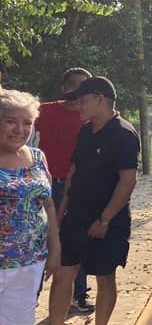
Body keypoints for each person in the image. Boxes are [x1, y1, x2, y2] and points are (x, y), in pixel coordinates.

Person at [25, 77, 139, 325]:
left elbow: (127, 181)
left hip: (106, 223)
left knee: (104, 277)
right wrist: (62, 210)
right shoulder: (86, 131)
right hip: (75, 217)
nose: (77, 107)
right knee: (63, 275)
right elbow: (74, 170)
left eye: (83, 100)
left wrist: (104, 219)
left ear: (100, 99)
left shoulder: (123, 134)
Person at [0, 90, 60, 325]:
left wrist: (55, 248)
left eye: (26, 123)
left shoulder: (37, 158)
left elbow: (47, 204)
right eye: (10, 121)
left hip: (26, 266)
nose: (19, 130)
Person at [35, 67, 94, 312]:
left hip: (77, 187)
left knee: (75, 240)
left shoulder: (88, 117)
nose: (76, 90)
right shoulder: (44, 112)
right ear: (63, 87)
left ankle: (78, 295)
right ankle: (31, 295)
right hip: (45, 186)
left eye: (82, 86)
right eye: (72, 84)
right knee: (39, 240)